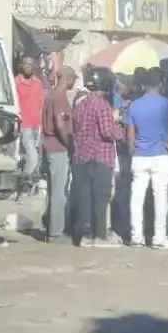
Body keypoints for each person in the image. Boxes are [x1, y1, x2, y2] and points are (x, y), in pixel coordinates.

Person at [125, 69, 168, 249]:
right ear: (161, 84)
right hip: (161, 154)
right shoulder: (167, 103)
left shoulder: (134, 105)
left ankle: (136, 237)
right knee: (161, 197)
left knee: (137, 197)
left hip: (140, 155)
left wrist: (132, 149)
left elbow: (130, 135)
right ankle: (159, 238)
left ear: (143, 86)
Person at [71, 67, 122, 248]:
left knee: (85, 196)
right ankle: (100, 236)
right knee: (101, 197)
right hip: (101, 156)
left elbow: (75, 127)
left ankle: (86, 236)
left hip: (82, 156)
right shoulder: (103, 105)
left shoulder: (81, 103)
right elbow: (107, 131)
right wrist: (120, 132)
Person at [40, 65, 78, 243]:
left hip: (49, 146)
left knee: (52, 191)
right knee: (58, 192)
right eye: (73, 79)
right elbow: (59, 123)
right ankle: (55, 232)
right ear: (68, 78)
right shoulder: (59, 98)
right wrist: (69, 144)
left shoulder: (50, 96)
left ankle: (51, 229)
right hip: (58, 147)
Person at [14, 56, 45, 193]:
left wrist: (41, 126)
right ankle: (24, 181)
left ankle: (25, 184)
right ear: (21, 65)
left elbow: (41, 105)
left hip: (36, 126)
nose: (28, 66)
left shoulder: (38, 83)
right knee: (33, 157)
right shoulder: (15, 83)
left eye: (31, 64)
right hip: (23, 125)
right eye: (26, 64)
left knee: (31, 156)